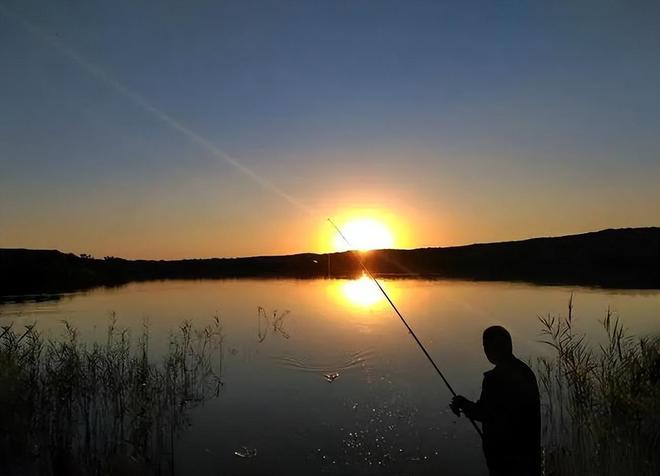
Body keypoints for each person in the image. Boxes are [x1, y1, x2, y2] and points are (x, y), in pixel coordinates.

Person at [450, 326, 541, 476]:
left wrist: (462, 403)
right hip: (529, 458)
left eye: (486, 346)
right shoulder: (525, 371)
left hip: (505, 462)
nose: (485, 350)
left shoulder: (494, 379)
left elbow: (484, 413)